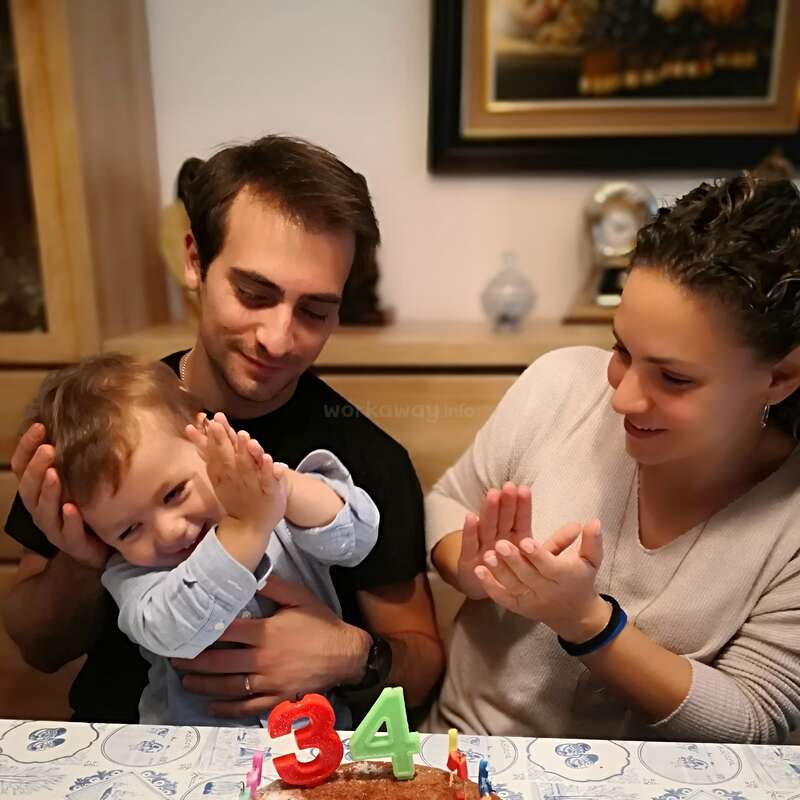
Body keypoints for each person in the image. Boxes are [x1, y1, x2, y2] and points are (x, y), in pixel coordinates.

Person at [3, 135, 444, 725]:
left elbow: (422, 665)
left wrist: (348, 655)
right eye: (253, 294)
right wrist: (87, 557)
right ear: (195, 260)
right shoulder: (99, 428)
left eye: (314, 311)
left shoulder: (362, 456)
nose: (278, 339)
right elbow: (38, 648)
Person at [426, 174, 800, 743]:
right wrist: (472, 568)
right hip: (461, 755)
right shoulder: (559, 386)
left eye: (673, 378)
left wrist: (588, 624)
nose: (621, 397)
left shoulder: (788, 522)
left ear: (780, 377)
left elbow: (758, 725)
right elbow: (446, 501)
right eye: (621, 349)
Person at [24, 353, 380, 726]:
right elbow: (173, 633)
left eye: (173, 493)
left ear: (207, 440)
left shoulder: (269, 501)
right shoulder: (132, 575)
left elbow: (356, 539)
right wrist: (245, 531)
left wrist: (281, 486)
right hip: (190, 757)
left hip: (313, 738)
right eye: (129, 530)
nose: (169, 531)